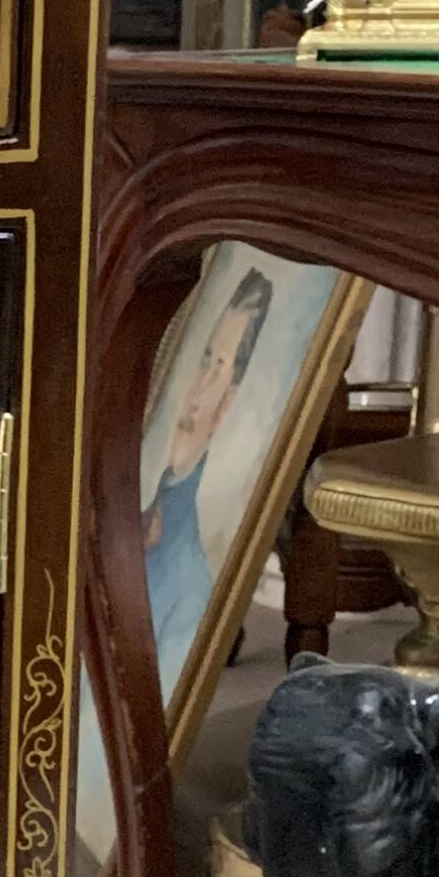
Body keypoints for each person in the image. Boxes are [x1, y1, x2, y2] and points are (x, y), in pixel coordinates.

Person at [141, 268, 273, 674]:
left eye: (221, 366)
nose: (197, 390)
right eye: (205, 360)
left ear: (232, 400)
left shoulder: (190, 587)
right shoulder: (144, 515)